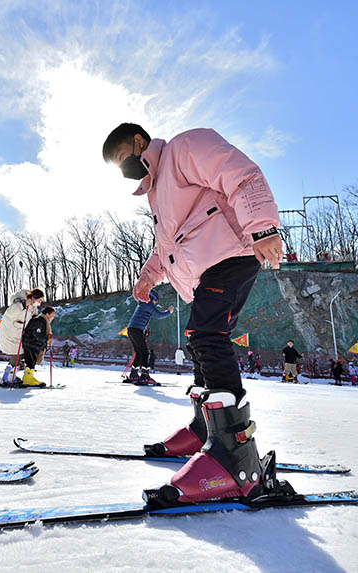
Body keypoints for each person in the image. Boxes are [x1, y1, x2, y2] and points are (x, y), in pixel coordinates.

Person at [103, 122, 287, 505]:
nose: (124, 170)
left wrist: (263, 226)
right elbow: (166, 246)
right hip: (206, 270)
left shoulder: (183, 149)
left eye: (123, 159)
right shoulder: (157, 192)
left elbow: (240, 172)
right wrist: (148, 276)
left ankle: (234, 456)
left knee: (207, 335)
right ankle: (206, 427)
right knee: (199, 338)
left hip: (231, 254)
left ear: (139, 142)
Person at [125, 289, 173, 384]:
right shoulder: (148, 304)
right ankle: (144, 376)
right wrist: (169, 312)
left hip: (132, 329)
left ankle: (134, 375)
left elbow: (141, 317)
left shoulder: (142, 303)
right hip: (136, 330)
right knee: (145, 353)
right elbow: (159, 315)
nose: (155, 303)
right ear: (152, 298)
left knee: (139, 352)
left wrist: (144, 329)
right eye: (156, 301)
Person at [0, 288, 45, 383]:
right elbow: (10, 313)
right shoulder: (18, 303)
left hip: (19, 334)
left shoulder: (32, 307)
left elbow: (32, 318)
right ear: (33, 298)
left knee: (21, 354)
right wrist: (23, 305)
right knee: (18, 354)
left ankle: (9, 375)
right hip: (11, 334)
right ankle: (7, 377)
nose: (40, 303)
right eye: (39, 300)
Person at [19, 306, 55, 386]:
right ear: (47, 314)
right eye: (52, 315)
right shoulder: (38, 321)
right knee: (31, 361)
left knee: (32, 361)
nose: (53, 317)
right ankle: (28, 379)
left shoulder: (43, 322)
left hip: (34, 345)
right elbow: (37, 334)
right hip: (30, 344)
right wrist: (46, 339)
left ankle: (28, 378)